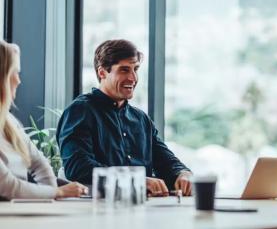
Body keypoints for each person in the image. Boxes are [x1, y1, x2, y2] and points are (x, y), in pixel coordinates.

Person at [57, 39, 192, 196]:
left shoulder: (141, 119)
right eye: (124, 70)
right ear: (102, 72)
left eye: (135, 69)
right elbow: (78, 167)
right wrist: (135, 180)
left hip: (144, 209)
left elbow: (165, 161)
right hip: (97, 210)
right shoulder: (80, 111)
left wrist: (183, 173)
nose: (133, 78)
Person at [0, 41, 87, 200]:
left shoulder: (9, 122)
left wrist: (50, 194)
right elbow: (7, 186)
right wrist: (57, 192)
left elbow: (39, 163)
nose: (18, 81)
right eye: (14, 72)